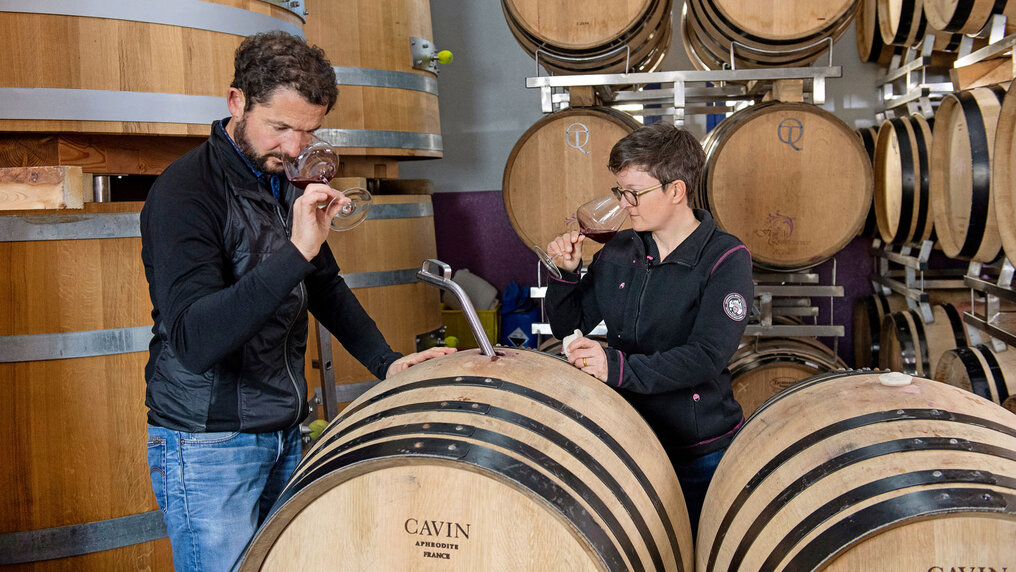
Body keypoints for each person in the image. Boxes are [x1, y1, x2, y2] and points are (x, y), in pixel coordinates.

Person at [140, 31, 453, 571]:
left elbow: (323, 285)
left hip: (285, 432)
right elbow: (194, 341)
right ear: (237, 102)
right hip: (210, 446)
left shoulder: (282, 180)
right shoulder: (185, 192)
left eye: (308, 132)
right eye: (279, 127)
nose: (292, 148)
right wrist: (298, 248)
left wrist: (387, 363)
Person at [543, 122, 753, 533]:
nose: (623, 205)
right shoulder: (621, 249)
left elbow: (707, 356)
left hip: (698, 451)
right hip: (627, 440)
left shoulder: (726, 258)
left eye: (633, 194)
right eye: (619, 192)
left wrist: (616, 368)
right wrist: (566, 274)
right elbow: (569, 325)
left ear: (675, 191)